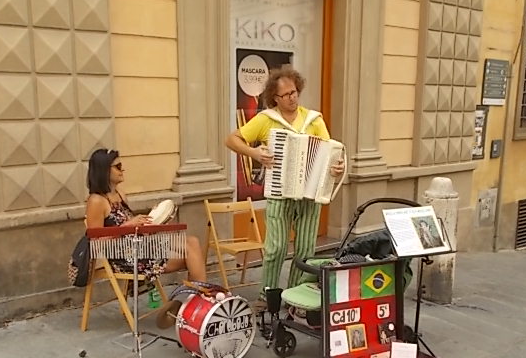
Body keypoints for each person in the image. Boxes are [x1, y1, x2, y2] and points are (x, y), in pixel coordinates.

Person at [225, 67, 344, 309]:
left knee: (305, 249)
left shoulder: (314, 119)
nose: (292, 97)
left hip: (309, 195)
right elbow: (232, 139)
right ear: (275, 98)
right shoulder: (266, 119)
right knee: (276, 247)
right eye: (286, 94)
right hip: (279, 192)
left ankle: (294, 297)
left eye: (294, 92)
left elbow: (330, 153)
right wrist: (254, 152)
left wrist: (337, 167)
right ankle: (267, 296)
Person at [85, 148, 206, 287]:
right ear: (104, 170)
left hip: (139, 246)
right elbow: (95, 242)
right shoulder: (96, 201)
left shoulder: (120, 194)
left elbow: (131, 227)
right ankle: (201, 294)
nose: (122, 170)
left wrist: (152, 221)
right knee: (193, 257)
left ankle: (198, 294)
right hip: (122, 257)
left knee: (192, 242)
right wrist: (127, 226)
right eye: (118, 166)